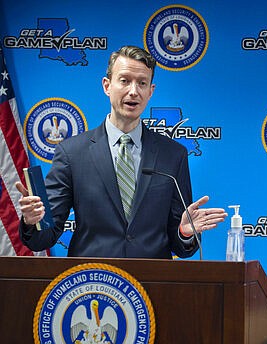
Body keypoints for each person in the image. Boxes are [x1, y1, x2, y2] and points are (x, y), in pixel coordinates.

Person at [16, 45, 227, 258]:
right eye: (125, 81)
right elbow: (45, 237)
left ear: (150, 91)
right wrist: (33, 221)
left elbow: (180, 244)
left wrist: (183, 232)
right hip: (92, 281)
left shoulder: (173, 155)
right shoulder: (72, 153)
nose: (133, 91)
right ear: (107, 86)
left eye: (142, 83)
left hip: (151, 285)